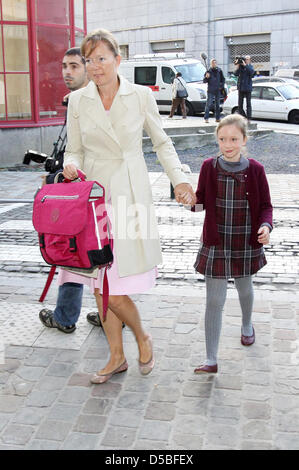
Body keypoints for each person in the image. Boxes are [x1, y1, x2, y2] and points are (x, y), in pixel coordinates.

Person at [60, 28, 196, 384]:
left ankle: (140, 338)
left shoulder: (139, 96)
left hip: (130, 196)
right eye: (89, 60)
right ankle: (119, 354)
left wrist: (180, 180)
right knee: (101, 283)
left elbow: (162, 143)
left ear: (118, 60)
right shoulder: (78, 101)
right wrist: (69, 164)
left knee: (112, 286)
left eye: (101, 59)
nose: (94, 67)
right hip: (93, 201)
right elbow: (73, 149)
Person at [192, 114, 273, 374]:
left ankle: (247, 324)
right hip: (216, 241)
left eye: (234, 139)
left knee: (244, 288)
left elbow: (266, 207)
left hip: (245, 240)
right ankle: (211, 359)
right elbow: (201, 202)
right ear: (217, 139)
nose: (228, 144)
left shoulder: (256, 170)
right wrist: (189, 200)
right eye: (223, 139)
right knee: (214, 300)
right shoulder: (208, 166)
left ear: (244, 140)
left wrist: (265, 226)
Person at [39, 47, 104, 333]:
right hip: (90, 193)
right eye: (65, 65)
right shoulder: (78, 102)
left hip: (87, 194)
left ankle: (66, 317)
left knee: (74, 253)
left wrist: (54, 180)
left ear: (88, 69)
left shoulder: (88, 104)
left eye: (75, 66)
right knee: (95, 255)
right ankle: (108, 314)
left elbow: (85, 156)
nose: (67, 71)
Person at [203, 58, 225, 123]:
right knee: (208, 104)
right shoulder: (208, 71)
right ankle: (206, 118)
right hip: (210, 90)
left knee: (217, 105)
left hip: (217, 90)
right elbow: (204, 81)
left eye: (215, 63)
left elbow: (223, 79)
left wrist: (221, 86)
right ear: (211, 64)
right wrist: (206, 77)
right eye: (212, 63)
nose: (214, 64)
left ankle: (217, 118)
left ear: (216, 63)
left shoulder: (219, 70)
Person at [234, 55, 255, 121]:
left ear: (250, 60)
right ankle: (243, 116)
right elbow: (235, 74)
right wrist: (237, 66)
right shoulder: (241, 67)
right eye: (245, 59)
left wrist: (245, 65)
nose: (246, 60)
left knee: (248, 104)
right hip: (241, 87)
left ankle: (249, 118)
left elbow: (251, 73)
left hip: (248, 87)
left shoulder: (250, 67)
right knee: (240, 105)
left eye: (248, 59)